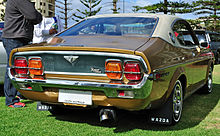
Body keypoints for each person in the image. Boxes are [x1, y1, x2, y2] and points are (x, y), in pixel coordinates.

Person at [2, 0, 42, 108]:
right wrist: (39, 15)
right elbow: (34, 16)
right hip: (14, 38)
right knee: (13, 68)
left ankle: (19, 95)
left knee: (21, 68)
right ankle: (11, 100)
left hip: (17, 37)